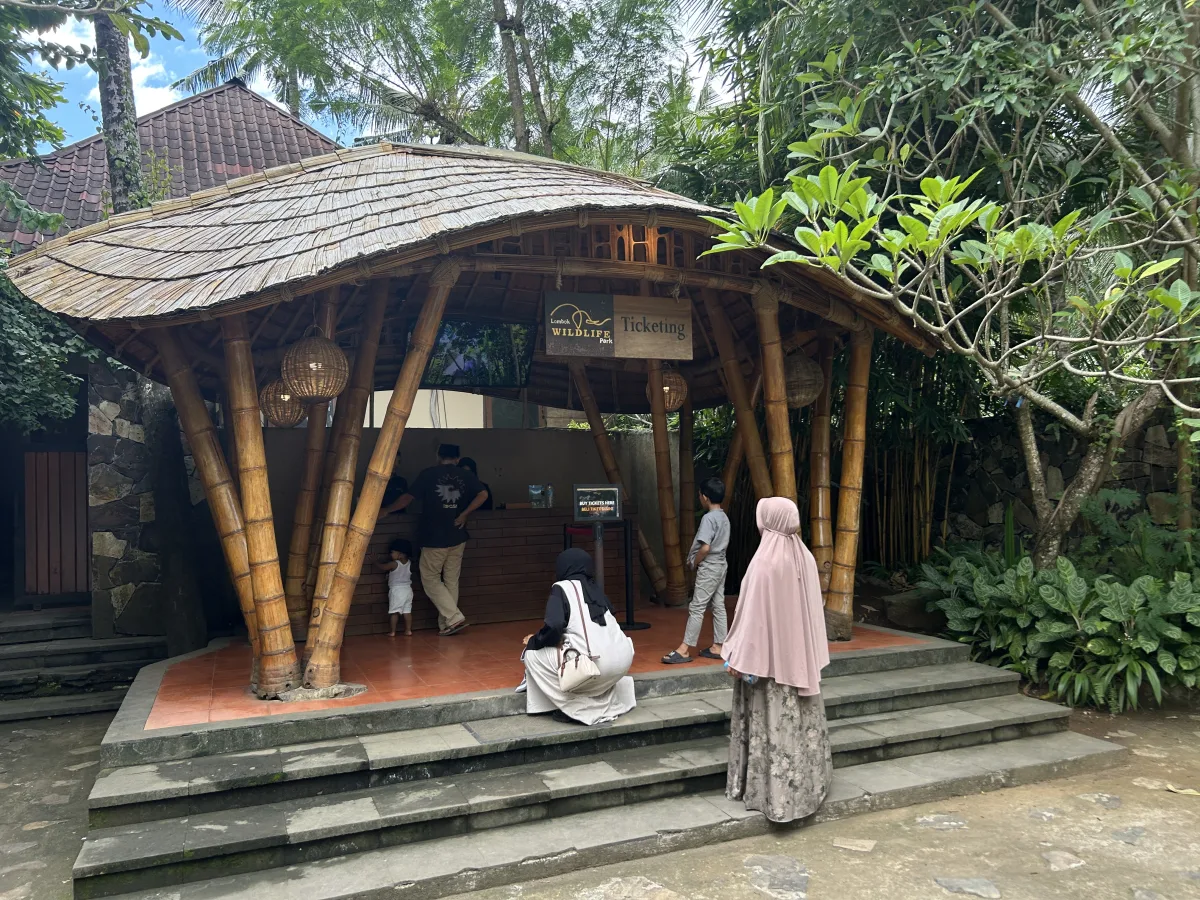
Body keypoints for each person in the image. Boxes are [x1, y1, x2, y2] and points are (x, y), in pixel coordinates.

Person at [722, 496, 832, 823]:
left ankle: (773, 798)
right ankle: (808, 789)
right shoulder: (805, 558)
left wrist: (736, 656)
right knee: (799, 727)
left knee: (767, 726)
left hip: (765, 670)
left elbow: (751, 617)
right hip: (799, 665)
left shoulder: (764, 564)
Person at [521, 548, 636, 725]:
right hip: (623, 661)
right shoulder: (595, 588)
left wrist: (534, 641)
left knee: (532, 655)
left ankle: (573, 708)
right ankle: (598, 699)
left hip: (596, 665)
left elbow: (555, 625)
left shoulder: (562, 588)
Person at [382, 443, 488, 636]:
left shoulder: (428, 474)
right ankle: (447, 623)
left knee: (430, 578)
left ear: (438, 456)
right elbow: (483, 494)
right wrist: (464, 513)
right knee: (451, 580)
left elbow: (407, 498)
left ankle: (454, 617)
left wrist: (387, 510)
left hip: (434, 536)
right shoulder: (466, 475)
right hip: (458, 535)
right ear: (457, 458)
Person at [661, 476, 730, 664]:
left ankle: (684, 649)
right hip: (721, 565)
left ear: (705, 497)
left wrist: (696, 562)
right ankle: (719, 645)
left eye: (699, 494)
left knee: (697, 607)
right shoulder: (724, 517)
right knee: (718, 605)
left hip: (709, 567)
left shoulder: (709, 519)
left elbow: (705, 547)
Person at [376, 539, 413, 636]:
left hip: (397, 590)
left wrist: (374, 562)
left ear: (401, 554)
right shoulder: (409, 563)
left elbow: (383, 567)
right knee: (407, 611)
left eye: (392, 552)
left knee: (394, 612)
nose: (390, 554)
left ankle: (392, 632)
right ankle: (408, 630)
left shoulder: (394, 563)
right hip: (408, 590)